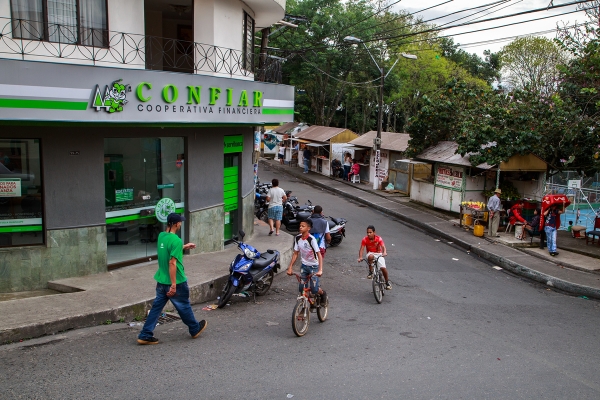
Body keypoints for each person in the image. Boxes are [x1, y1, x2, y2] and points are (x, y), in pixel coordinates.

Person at [137, 213, 207, 345]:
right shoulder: (176, 240)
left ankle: (145, 334)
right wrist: (173, 285)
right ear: (176, 224)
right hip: (176, 281)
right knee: (183, 306)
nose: (181, 224)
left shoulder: (161, 236)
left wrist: (184, 247)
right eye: (180, 222)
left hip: (161, 281)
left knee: (156, 309)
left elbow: (168, 250)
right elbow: (172, 263)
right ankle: (194, 328)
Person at [286, 219, 327, 305]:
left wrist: (320, 270)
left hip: (314, 267)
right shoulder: (297, 238)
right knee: (301, 288)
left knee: (314, 289)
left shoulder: (311, 239)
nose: (300, 227)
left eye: (303, 226)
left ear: (309, 228)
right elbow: (295, 253)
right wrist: (290, 267)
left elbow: (319, 254)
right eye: (300, 226)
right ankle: (303, 307)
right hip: (304, 266)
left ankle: (323, 293)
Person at [357, 225, 391, 290]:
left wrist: (384, 252)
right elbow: (362, 249)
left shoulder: (379, 238)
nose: (368, 234)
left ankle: (387, 282)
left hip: (379, 254)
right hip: (370, 253)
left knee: (383, 268)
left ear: (374, 232)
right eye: (367, 233)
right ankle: (371, 272)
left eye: (370, 232)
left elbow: (383, 247)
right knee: (370, 256)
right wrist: (360, 257)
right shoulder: (365, 239)